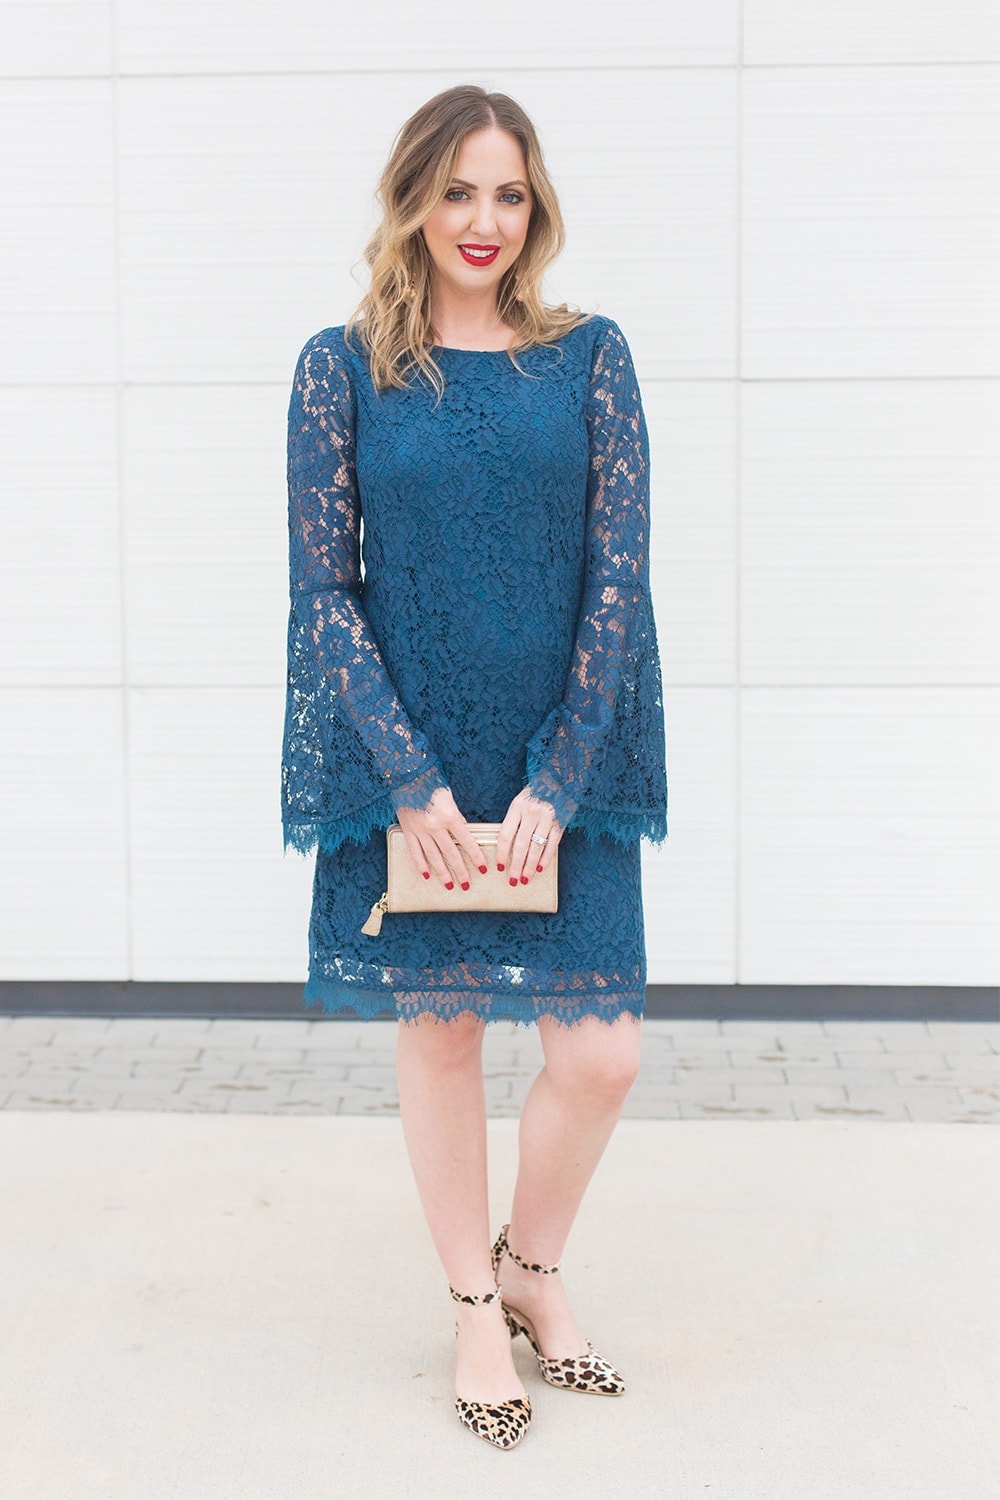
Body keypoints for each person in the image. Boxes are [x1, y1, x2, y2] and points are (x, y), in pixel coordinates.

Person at [281, 84, 668, 1450]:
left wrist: (561, 783)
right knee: (443, 1031)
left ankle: (533, 1268)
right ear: (415, 202)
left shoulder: (591, 357)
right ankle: (468, 1307)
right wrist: (410, 783)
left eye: (507, 192)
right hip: (422, 763)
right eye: (457, 191)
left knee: (604, 1052)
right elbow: (325, 593)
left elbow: (619, 576)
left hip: (568, 757)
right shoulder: (345, 368)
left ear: (536, 204)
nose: (483, 220)